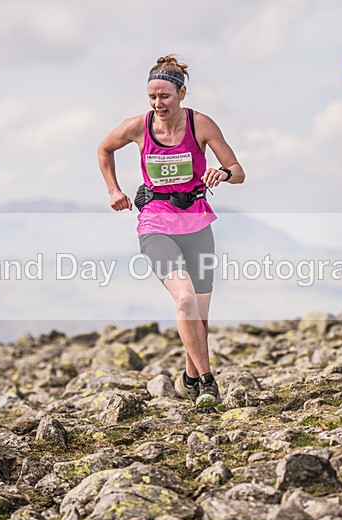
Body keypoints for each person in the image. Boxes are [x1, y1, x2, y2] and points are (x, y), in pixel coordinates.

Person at [98, 55, 245, 407]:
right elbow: (104, 149)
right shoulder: (137, 127)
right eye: (152, 97)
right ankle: (208, 383)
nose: (157, 104)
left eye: (164, 96)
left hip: (197, 223)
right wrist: (114, 190)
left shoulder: (202, 125)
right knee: (185, 299)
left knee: (200, 318)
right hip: (155, 223)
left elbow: (238, 170)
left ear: (182, 93)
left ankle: (189, 379)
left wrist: (222, 174)